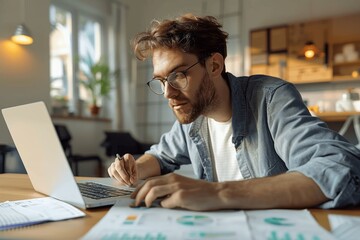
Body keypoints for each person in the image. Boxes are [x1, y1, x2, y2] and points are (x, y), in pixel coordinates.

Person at [108, 14, 360, 211]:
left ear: (214, 65)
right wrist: (134, 168)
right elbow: (161, 157)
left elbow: (340, 167)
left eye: (178, 75)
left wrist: (218, 193)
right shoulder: (192, 116)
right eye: (161, 81)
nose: (168, 93)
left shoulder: (270, 98)